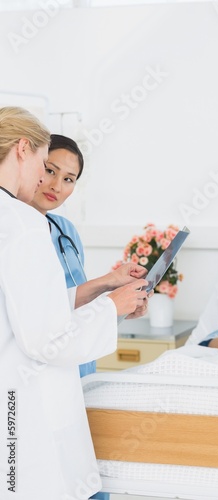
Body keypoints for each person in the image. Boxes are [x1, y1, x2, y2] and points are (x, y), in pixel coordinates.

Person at [0, 106, 148, 499]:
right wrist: (111, 307)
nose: (47, 180)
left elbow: (23, 308)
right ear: (23, 150)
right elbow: (46, 338)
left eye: (69, 179)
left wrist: (110, 292)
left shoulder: (28, 223)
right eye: (44, 166)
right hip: (24, 392)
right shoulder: (22, 222)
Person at [29, 134, 147, 377]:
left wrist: (118, 304)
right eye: (51, 171)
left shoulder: (66, 231)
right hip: (47, 367)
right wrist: (109, 293)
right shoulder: (15, 233)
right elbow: (39, 311)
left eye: (69, 179)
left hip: (82, 363)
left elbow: (77, 300)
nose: (57, 186)